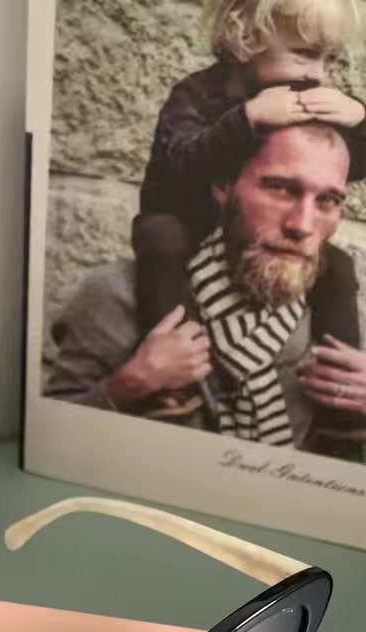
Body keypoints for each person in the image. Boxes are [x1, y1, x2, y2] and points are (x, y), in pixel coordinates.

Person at [44, 121, 366, 461]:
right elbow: (49, 442)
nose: (301, 225)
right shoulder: (116, 295)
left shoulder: (337, 315)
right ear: (224, 184)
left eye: (328, 200)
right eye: (281, 189)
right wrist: (126, 387)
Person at [133, 0, 366, 418]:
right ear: (248, 36)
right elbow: (181, 160)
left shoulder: (304, 93)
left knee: (340, 266)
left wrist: (360, 121)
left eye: (328, 59)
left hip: (255, 232)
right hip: (186, 222)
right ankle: (173, 375)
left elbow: (341, 165)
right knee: (160, 236)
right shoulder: (196, 94)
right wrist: (246, 119)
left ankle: (341, 389)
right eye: (306, 53)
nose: (318, 73)